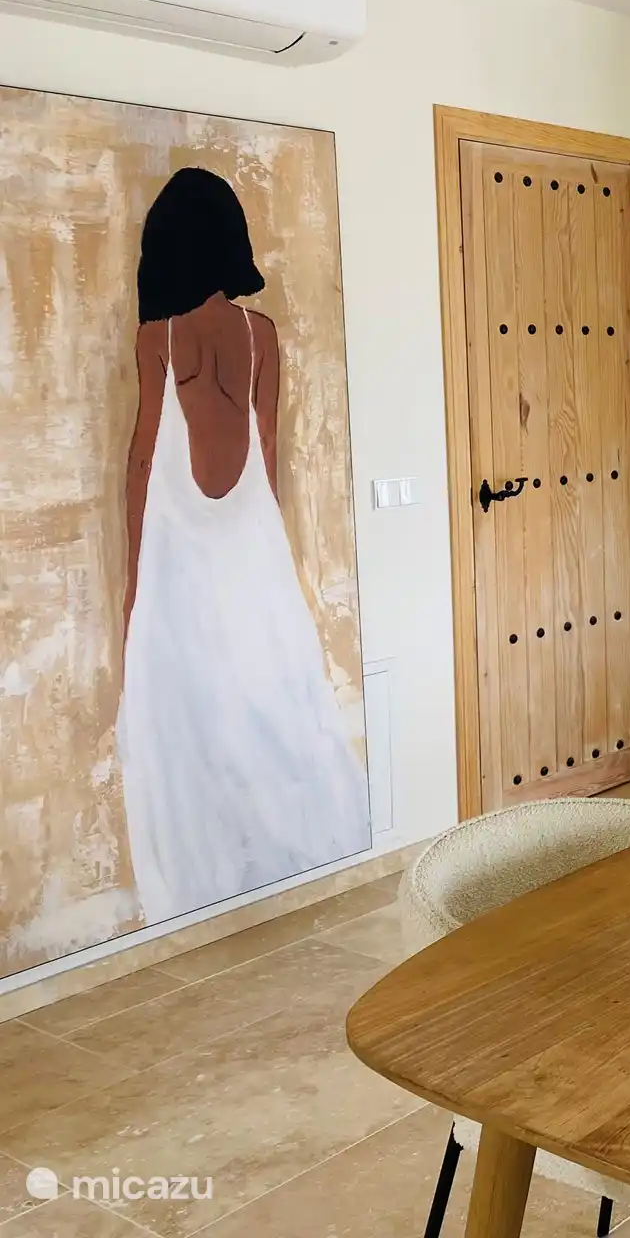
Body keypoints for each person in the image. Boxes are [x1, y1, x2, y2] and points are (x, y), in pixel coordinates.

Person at [117, 167, 369, 924]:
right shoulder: (262, 337)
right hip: (251, 539)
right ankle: (286, 860)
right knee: (269, 694)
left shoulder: (156, 338)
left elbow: (141, 457)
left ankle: (207, 880)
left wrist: (133, 579)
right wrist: (271, 552)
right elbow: (266, 443)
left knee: (185, 712)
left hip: (175, 548)